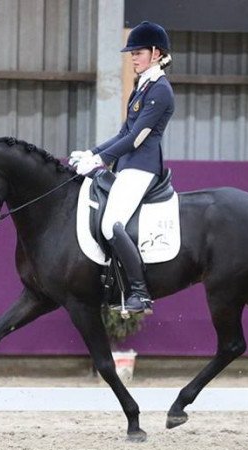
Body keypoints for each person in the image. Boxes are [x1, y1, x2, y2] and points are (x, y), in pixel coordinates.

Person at [69, 21, 175, 314]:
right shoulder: (141, 88)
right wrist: (90, 152)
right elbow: (121, 133)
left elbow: (137, 137)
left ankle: (140, 293)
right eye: (131, 54)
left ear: (155, 53)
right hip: (127, 165)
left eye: (137, 52)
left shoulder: (160, 90)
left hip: (142, 167)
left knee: (109, 223)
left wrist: (100, 161)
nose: (133, 58)